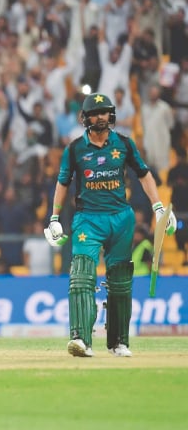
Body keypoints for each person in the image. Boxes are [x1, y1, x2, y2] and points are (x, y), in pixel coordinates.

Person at [44, 93, 176, 358]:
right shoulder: (74, 149)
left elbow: (144, 174)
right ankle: (81, 338)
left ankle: (118, 342)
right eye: (97, 112)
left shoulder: (124, 144)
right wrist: (54, 218)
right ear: (86, 118)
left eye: (105, 112)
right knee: (81, 275)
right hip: (88, 219)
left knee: (120, 281)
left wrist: (159, 207)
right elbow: (62, 183)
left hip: (120, 218)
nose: (102, 117)